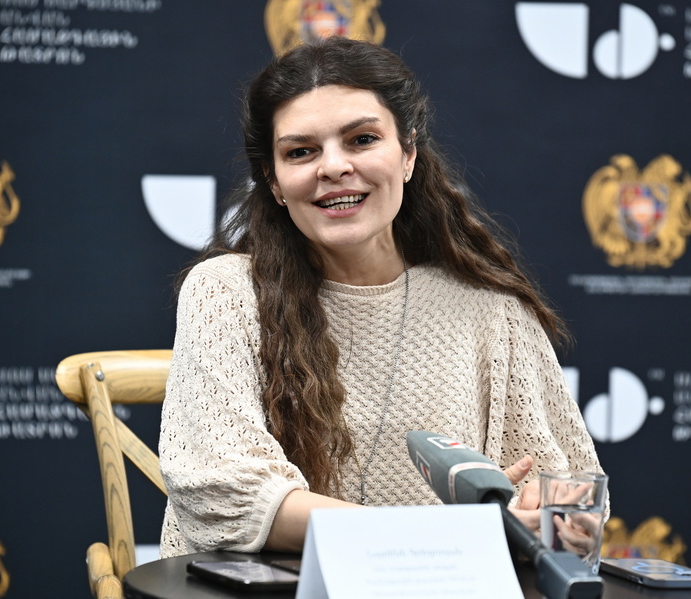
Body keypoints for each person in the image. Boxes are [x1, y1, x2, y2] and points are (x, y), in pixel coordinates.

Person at [158, 36, 605, 558]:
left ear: (408, 153)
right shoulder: (224, 292)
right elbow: (224, 494)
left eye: (362, 139)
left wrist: (542, 517)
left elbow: (573, 503)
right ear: (273, 181)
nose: (333, 167)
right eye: (301, 152)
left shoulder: (491, 309)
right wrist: (451, 535)